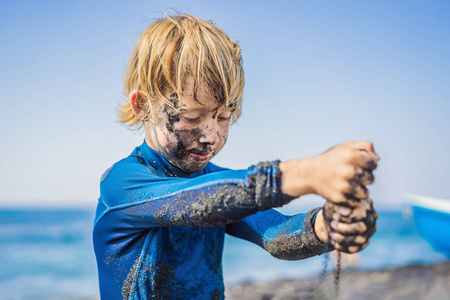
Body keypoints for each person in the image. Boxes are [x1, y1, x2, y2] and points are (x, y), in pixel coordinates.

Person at [93, 14, 379, 300]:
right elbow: (196, 202)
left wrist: (327, 226)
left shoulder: (216, 182)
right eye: (191, 116)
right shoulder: (122, 186)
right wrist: (306, 175)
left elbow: (274, 234)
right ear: (142, 105)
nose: (211, 136)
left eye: (223, 117)